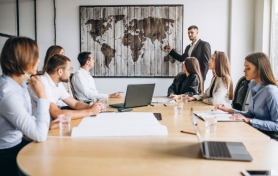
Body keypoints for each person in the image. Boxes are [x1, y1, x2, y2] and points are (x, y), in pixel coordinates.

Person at [0, 37, 50, 175]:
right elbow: (39, 135)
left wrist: (49, 125)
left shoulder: (20, 85)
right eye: (35, 56)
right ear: (23, 59)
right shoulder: (8, 94)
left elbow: (26, 119)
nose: (38, 60)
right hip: (6, 155)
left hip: (18, 144)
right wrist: (42, 95)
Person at [215, 52, 278, 140]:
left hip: (269, 137)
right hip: (256, 131)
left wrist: (249, 121)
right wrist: (230, 110)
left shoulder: (270, 91)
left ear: (259, 69)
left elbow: (277, 125)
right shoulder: (253, 86)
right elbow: (251, 114)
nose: (244, 71)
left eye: (248, 68)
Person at [29, 54, 102, 126]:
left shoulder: (58, 84)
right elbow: (56, 113)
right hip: (38, 130)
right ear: (60, 71)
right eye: (69, 69)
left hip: (50, 126)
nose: (71, 72)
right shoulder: (42, 83)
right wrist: (90, 111)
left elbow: (75, 104)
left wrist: (91, 107)